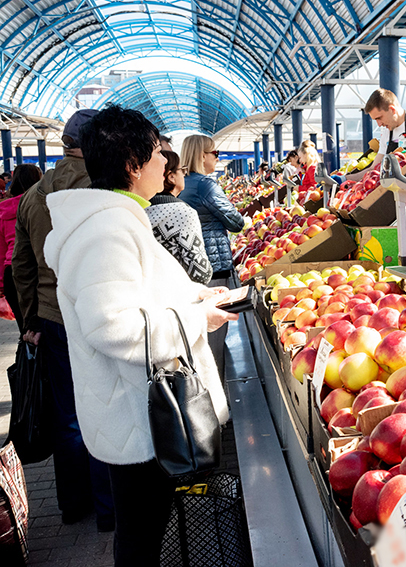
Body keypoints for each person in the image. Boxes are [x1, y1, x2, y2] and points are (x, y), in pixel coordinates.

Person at [41, 105, 236, 566]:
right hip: (138, 417)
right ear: (132, 164)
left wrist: (198, 297)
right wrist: (195, 321)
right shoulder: (106, 230)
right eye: (155, 154)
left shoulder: (121, 219)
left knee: (145, 529)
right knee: (141, 535)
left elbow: (143, 290)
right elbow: (114, 325)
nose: (165, 164)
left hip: (140, 410)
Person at [11, 109, 116, 532]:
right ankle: (110, 509)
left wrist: (29, 318)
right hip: (100, 314)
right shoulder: (105, 188)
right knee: (106, 410)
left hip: (53, 320)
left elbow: (21, 267)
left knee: (68, 415)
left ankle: (73, 504)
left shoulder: (32, 196)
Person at [178, 134, 244, 380]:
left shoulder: (178, 183)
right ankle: (217, 407)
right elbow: (236, 222)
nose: (218, 158)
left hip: (187, 269)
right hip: (213, 268)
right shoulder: (206, 185)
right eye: (214, 153)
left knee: (193, 339)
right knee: (214, 340)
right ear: (202, 156)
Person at [145, 150, 213, 284]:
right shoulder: (183, 213)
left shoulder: (137, 209)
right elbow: (200, 273)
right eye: (182, 170)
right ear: (171, 177)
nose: (184, 174)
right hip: (176, 296)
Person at [0, 164, 42, 332]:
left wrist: (2, 284)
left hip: (11, 272)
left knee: (25, 329)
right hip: (36, 270)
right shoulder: (41, 204)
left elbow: (1, 251)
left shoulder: (3, 209)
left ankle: (26, 357)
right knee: (42, 329)